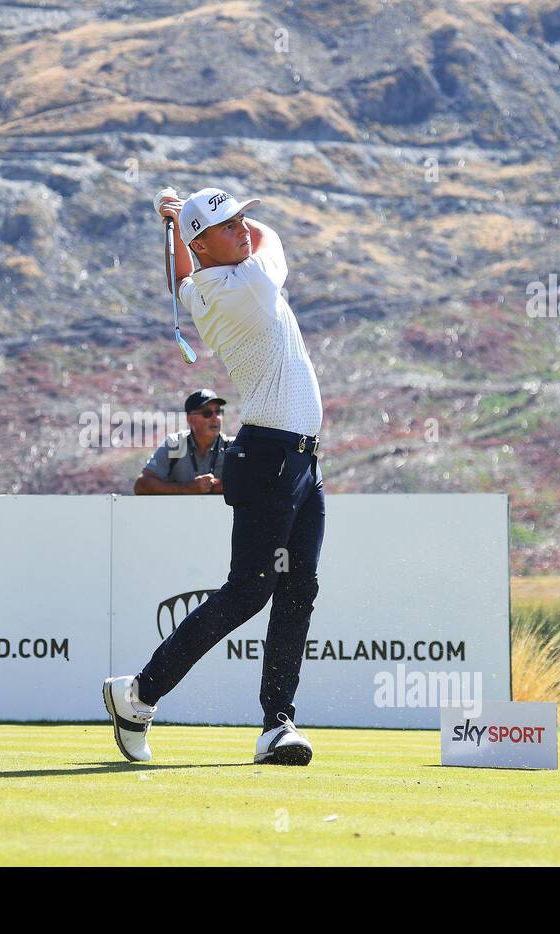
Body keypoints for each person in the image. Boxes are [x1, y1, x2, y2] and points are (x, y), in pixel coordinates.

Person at [103, 186, 326, 766]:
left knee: (298, 589)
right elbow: (273, 238)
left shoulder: (204, 285)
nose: (245, 230)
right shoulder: (250, 283)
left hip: (300, 460)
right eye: (231, 226)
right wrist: (182, 225)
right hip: (269, 460)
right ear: (206, 243)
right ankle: (139, 695)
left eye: (243, 219)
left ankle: (278, 724)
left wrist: (179, 227)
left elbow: (183, 277)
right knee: (250, 592)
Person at [134, 389, 232, 495]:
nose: (215, 418)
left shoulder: (233, 447)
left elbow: (250, 483)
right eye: (207, 413)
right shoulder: (174, 444)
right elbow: (141, 485)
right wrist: (187, 488)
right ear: (190, 420)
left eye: (218, 412)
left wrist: (220, 488)